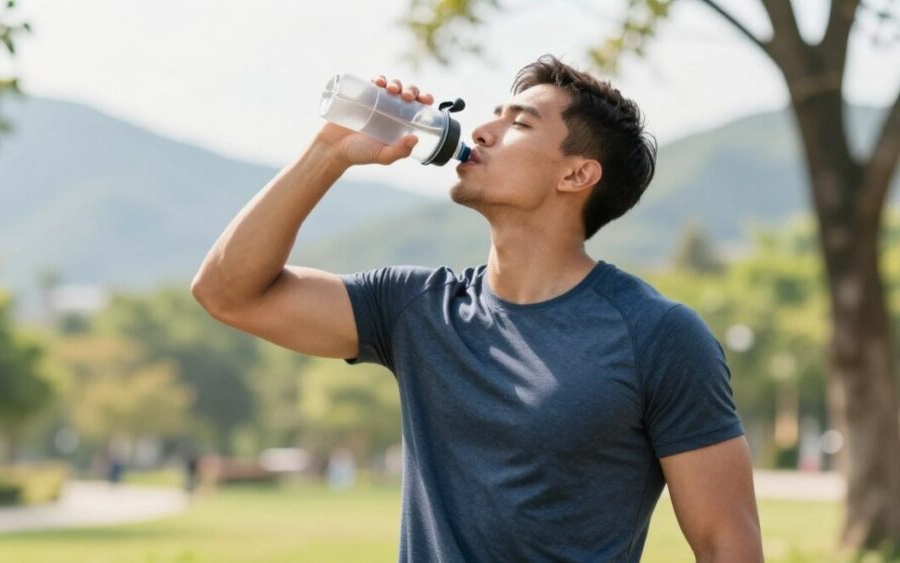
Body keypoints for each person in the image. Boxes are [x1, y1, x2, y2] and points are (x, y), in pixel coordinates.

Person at [192, 54, 763, 562]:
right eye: (492, 115)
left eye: (518, 123)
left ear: (577, 174)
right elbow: (227, 292)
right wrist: (328, 152)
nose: (482, 132)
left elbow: (726, 545)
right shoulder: (415, 308)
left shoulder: (658, 335)